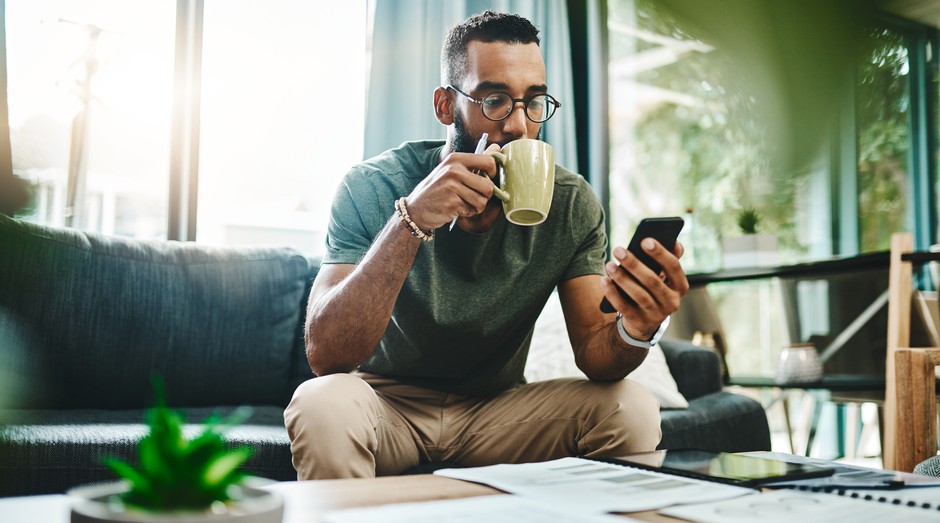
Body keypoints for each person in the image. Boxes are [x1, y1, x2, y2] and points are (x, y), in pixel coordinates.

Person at [284, 10, 688, 480]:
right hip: (385, 406)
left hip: (499, 413)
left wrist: (637, 327)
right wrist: (409, 221)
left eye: (534, 102)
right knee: (321, 404)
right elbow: (326, 356)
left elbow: (597, 358)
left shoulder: (571, 203)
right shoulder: (371, 186)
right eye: (495, 100)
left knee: (630, 406)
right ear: (444, 106)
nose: (518, 125)